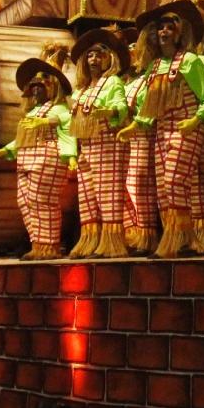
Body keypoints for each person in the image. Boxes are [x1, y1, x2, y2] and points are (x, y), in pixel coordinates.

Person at [121, 0, 204, 258]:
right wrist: (136, 125)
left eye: (170, 27)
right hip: (162, 130)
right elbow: (149, 106)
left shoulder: (191, 61)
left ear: (181, 32)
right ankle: (180, 239)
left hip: (187, 128)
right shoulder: (155, 68)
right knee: (164, 188)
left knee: (175, 181)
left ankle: (182, 239)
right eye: (160, 27)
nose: (164, 32)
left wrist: (198, 120)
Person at [0, 47, 76, 261]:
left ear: (54, 85)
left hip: (48, 157)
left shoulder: (59, 109)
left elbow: (67, 130)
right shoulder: (32, 112)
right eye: (34, 82)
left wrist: (70, 155)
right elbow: (22, 138)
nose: (37, 85)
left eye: (43, 80)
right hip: (26, 158)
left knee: (41, 200)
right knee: (24, 200)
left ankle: (49, 245)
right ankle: (38, 243)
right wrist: (6, 150)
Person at [68, 27, 133, 258]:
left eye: (99, 54)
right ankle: (89, 241)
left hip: (108, 145)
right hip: (87, 147)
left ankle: (112, 243)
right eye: (91, 55)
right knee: (87, 197)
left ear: (110, 59)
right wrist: (73, 154)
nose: (94, 59)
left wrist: (110, 111)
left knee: (108, 194)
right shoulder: (80, 90)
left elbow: (122, 106)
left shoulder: (112, 82)